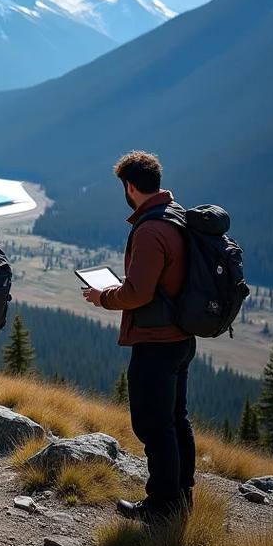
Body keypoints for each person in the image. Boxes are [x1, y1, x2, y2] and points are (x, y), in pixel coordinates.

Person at [83, 151, 193, 521]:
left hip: (155, 340)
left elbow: (138, 294)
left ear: (130, 186)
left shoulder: (150, 230)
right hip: (181, 336)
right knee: (176, 419)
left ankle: (161, 505)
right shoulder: (178, 218)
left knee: (153, 424)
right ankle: (181, 497)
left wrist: (103, 297)